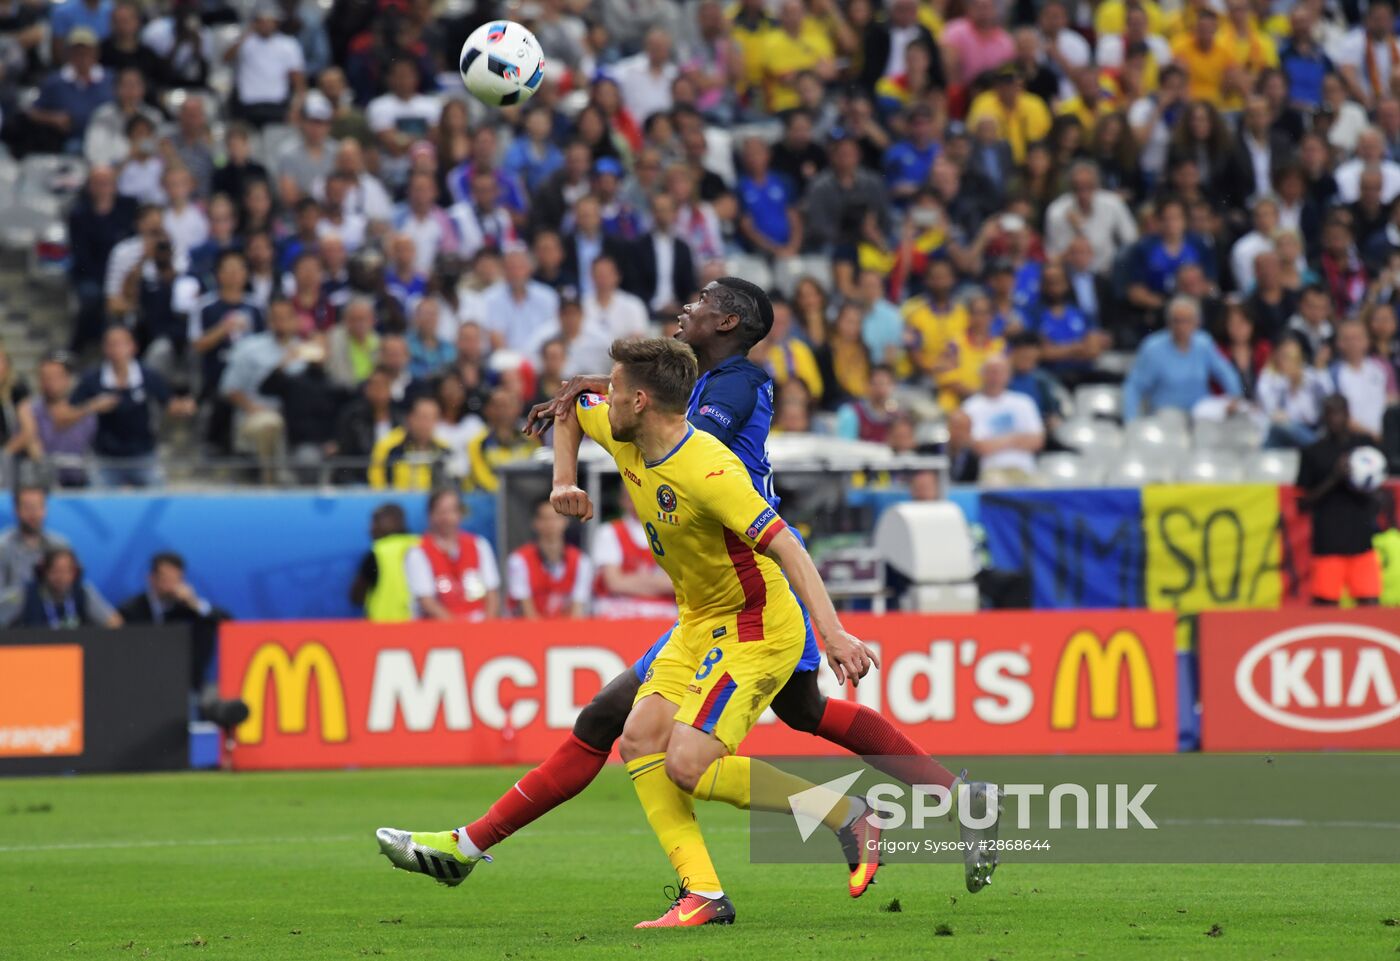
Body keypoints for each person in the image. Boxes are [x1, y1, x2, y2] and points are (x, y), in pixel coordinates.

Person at [375, 279, 995, 906]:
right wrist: (577, 435)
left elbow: (669, 428)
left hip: (753, 581)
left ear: (727, 323)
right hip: (707, 597)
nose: (685, 309)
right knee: (791, 712)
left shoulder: (734, 387)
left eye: (700, 302)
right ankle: (950, 799)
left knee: (629, 727)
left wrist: (596, 388)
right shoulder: (691, 385)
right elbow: (639, 409)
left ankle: (473, 847)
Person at [70, 326, 194, 487]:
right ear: (104, 348)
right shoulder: (92, 378)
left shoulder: (148, 376)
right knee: (96, 497)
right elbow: (67, 413)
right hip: (105, 457)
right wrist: (92, 406)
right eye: (111, 344)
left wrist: (185, 407)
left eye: (121, 344)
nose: (116, 349)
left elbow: (170, 405)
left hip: (143, 454)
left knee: (159, 495)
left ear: (133, 347)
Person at [1298, 395, 1383, 606]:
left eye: (1339, 413)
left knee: (1371, 607)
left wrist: (1359, 482)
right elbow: (1303, 503)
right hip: (1328, 546)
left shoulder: (1364, 447)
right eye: (1330, 413)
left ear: (1347, 414)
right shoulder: (1313, 453)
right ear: (1324, 417)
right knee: (1326, 610)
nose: (1335, 418)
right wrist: (1335, 478)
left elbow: (1379, 497)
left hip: (1362, 544)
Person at [1122, 295, 1244, 420]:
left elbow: (1226, 373)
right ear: (1168, 322)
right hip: (1166, 417)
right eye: (1177, 321)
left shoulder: (1204, 343)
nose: (1181, 327)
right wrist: (1130, 421)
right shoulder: (1153, 348)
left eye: (1187, 321)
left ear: (1197, 322)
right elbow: (1134, 386)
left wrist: (1235, 397)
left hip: (1200, 414)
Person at [403, 487, 499, 621]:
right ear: (431, 515)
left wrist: (487, 628)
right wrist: (458, 631)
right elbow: (427, 602)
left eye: (452, 511)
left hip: (478, 626)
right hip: (439, 631)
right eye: (442, 512)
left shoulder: (479, 545)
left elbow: (492, 593)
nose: (447, 518)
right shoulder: (419, 552)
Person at [962, 354, 1044, 487]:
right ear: (982, 374)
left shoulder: (1024, 402)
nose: (996, 376)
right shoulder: (971, 407)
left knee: (1044, 489)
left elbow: (1037, 441)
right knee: (994, 486)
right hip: (992, 470)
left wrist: (997, 442)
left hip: (1025, 468)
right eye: (992, 371)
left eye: (1000, 371)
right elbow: (980, 447)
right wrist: (1017, 438)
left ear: (1008, 375)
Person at [589, 496, 677, 620]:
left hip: (663, 612)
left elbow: (674, 585)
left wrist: (631, 581)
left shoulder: (670, 533)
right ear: (623, 501)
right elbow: (614, 583)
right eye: (630, 497)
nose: (638, 499)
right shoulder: (609, 532)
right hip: (619, 612)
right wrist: (655, 583)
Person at [506, 498, 593, 619]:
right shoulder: (519, 560)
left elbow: (577, 612)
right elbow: (527, 613)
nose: (551, 524)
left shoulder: (581, 562)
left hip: (566, 632)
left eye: (556, 518)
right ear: (535, 523)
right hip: (529, 632)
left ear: (565, 521)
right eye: (545, 519)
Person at [0, 546, 119, 628]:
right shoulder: (25, 594)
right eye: (55, 571)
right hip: (34, 657)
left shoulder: (83, 593)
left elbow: (114, 623)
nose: (61, 577)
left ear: (75, 573)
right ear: (44, 572)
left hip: (77, 658)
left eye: (67, 571)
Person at [349, 503, 418, 622]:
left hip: (382, 629)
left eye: (375, 521)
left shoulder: (378, 552)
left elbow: (356, 596)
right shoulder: (421, 545)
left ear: (394, 521)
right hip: (421, 628)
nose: (370, 528)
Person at [369, 395, 451, 491]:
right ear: (410, 417)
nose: (426, 424)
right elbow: (376, 480)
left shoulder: (444, 449)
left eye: (432, 418)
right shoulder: (388, 445)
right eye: (423, 417)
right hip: (394, 502)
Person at [465, 387, 537, 493]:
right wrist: (512, 494)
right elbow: (483, 479)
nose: (503, 411)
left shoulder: (530, 439)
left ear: (518, 408)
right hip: (489, 500)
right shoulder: (477, 443)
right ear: (487, 410)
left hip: (525, 496)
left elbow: (538, 470)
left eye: (509, 405)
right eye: (498, 405)